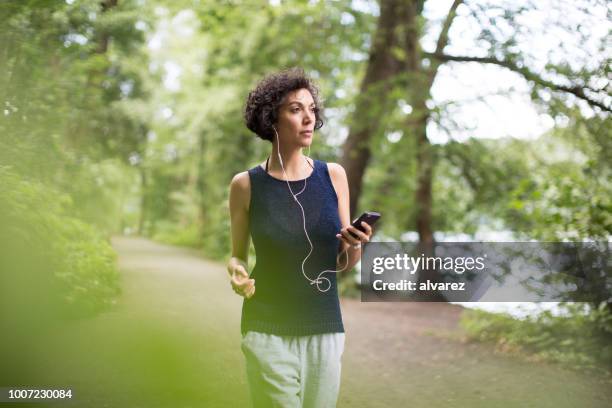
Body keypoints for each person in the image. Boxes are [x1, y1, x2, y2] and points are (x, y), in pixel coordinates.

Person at [227, 67, 373, 408]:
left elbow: (342, 264)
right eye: (296, 109)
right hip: (267, 328)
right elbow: (236, 255)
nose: (309, 118)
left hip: (325, 328)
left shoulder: (333, 176)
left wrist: (354, 245)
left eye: (312, 109)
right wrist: (236, 271)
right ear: (271, 119)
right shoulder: (245, 185)